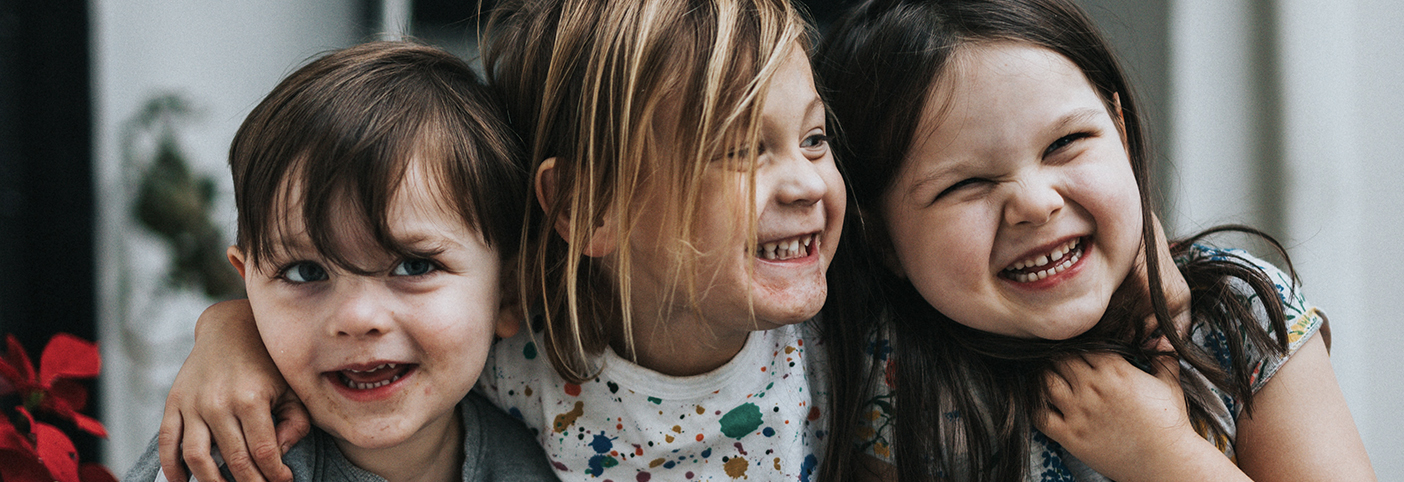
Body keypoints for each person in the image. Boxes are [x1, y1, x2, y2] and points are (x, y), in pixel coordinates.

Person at [153, 2, 846, 481]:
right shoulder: (516, 354)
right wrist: (231, 330)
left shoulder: (849, 324)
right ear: (589, 206)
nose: (804, 185)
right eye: (734, 151)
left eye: (815, 139)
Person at [813, 0, 1375, 480]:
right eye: (968, 183)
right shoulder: (876, 375)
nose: (1036, 203)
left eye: (1067, 143)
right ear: (881, 237)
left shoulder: (1240, 316)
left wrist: (1166, 458)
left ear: (1121, 134)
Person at [123, 41, 557, 482]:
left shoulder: (536, 456)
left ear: (507, 291)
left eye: (414, 266)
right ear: (249, 289)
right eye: (306, 272)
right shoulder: (234, 460)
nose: (357, 317)